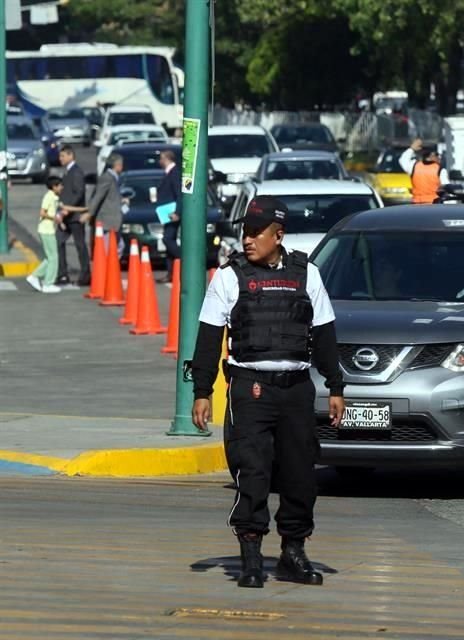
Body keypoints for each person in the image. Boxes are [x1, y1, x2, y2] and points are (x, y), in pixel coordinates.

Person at [190, 196, 346, 589]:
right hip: (250, 389)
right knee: (252, 473)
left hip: (295, 390)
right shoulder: (228, 276)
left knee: (299, 475)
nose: (247, 240)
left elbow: (325, 334)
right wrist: (202, 391)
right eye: (244, 232)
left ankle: (293, 553)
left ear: (279, 235)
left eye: (256, 232)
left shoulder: (307, 274)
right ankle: (252, 558)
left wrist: (335, 386)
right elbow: (209, 338)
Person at [55, 145, 90, 286]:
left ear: (71, 156)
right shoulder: (67, 172)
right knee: (58, 241)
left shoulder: (76, 172)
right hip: (65, 216)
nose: (60, 159)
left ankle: (85, 275)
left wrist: (67, 209)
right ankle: (63, 274)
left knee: (80, 245)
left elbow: (78, 193)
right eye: (60, 156)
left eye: (63, 156)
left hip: (75, 216)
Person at [26, 176, 65, 294]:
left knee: (50, 257)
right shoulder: (48, 197)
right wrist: (55, 218)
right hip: (46, 230)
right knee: (54, 257)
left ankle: (34, 276)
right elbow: (42, 212)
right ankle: (48, 283)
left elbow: (60, 209)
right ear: (54, 187)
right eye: (60, 185)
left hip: (47, 230)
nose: (62, 187)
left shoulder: (54, 197)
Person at [87, 153, 127, 253]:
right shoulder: (107, 178)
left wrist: (121, 200)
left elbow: (110, 196)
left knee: (118, 246)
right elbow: (98, 196)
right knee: (107, 249)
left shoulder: (114, 178)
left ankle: (110, 267)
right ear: (117, 165)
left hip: (113, 221)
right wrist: (89, 213)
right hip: (107, 221)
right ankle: (105, 268)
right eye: (121, 164)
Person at [156, 150, 182, 282]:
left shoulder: (174, 173)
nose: (159, 161)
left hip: (172, 213)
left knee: (168, 239)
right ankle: (170, 272)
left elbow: (179, 194)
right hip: (166, 213)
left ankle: (183, 261)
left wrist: (177, 212)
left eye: (161, 158)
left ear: (167, 159)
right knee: (168, 240)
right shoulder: (169, 173)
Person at [399, 138, 449, 204]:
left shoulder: (414, 166)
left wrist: (411, 149)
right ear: (432, 156)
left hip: (417, 205)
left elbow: (402, 160)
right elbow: (447, 188)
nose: (439, 157)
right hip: (434, 205)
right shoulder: (440, 169)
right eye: (437, 155)